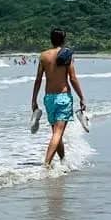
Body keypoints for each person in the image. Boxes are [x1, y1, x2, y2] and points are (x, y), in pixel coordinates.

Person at [32, 29, 87, 168]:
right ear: (64, 39)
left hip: (49, 98)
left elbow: (38, 79)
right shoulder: (66, 54)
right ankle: (46, 164)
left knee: (56, 133)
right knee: (57, 133)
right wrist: (82, 97)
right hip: (63, 97)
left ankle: (63, 161)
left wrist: (34, 99)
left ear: (51, 39)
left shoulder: (43, 56)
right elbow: (72, 78)